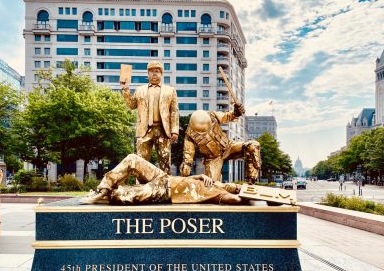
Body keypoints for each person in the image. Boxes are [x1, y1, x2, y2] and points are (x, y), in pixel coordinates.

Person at [80, 154, 242, 205]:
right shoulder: (207, 180)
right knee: (132, 159)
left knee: (123, 196)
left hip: (165, 191)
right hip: (165, 178)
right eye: (232, 184)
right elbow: (186, 180)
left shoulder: (218, 194)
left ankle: (105, 196)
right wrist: (198, 176)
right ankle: (102, 190)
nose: (228, 184)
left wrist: (244, 196)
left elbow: (235, 199)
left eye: (232, 186)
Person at [121, 61, 179, 174]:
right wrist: (125, 90)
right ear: (147, 74)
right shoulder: (139, 90)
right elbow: (131, 106)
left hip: (163, 130)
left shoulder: (170, 90)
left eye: (157, 71)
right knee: (141, 162)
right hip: (144, 130)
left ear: (161, 74)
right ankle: (141, 188)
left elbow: (174, 111)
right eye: (151, 71)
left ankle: (165, 189)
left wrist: (175, 131)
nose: (154, 74)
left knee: (165, 161)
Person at [179, 108, 261, 183]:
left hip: (228, 147)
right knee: (211, 184)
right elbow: (188, 153)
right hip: (213, 159)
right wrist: (186, 166)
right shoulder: (189, 136)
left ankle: (251, 179)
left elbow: (227, 116)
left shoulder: (212, 115)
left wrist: (236, 113)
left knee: (253, 145)